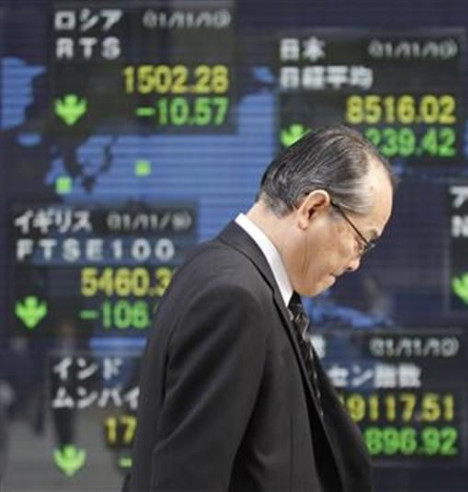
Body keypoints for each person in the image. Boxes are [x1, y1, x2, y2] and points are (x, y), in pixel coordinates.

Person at [124, 125, 396, 491]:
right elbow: (187, 477)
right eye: (362, 241)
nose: (355, 264)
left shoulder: (218, 269)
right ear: (313, 207)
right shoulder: (235, 298)